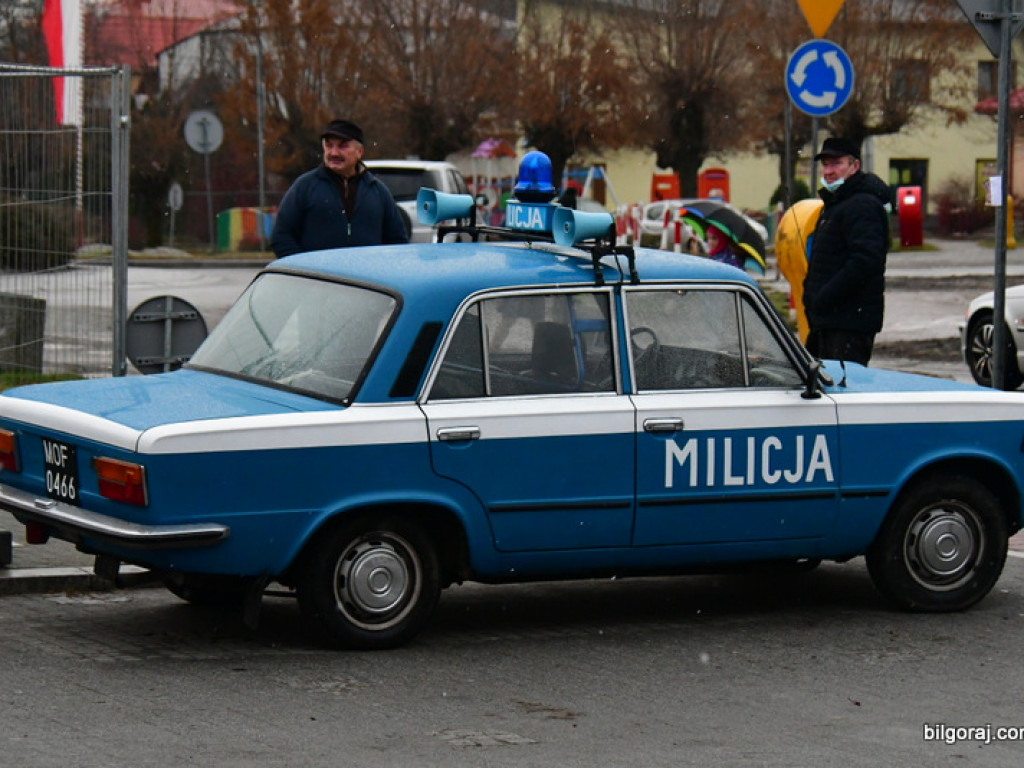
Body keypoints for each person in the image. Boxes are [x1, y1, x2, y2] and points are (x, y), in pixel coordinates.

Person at [802, 137, 890, 366]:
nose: (828, 171)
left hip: (849, 322)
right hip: (828, 320)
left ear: (854, 166)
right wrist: (811, 296)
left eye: (836, 164)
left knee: (842, 385)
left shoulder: (862, 205)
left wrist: (825, 296)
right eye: (825, 165)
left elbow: (866, 261)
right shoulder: (835, 204)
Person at [271, 119, 409, 258]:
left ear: (359, 151)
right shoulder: (305, 187)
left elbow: (398, 242)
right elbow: (281, 237)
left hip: (365, 272)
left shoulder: (378, 192)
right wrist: (303, 267)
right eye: (329, 146)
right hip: (316, 272)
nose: (334, 153)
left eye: (343, 146)